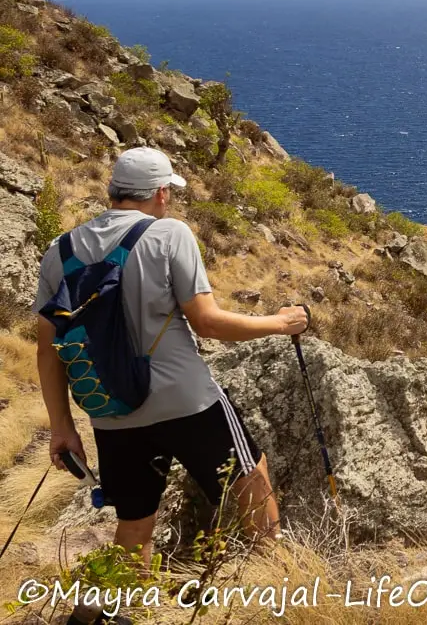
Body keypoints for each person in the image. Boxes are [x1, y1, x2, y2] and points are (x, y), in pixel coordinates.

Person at [33, 146, 309, 565]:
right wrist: (281, 322)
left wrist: (62, 427)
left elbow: (47, 349)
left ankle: (125, 605)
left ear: (114, 190)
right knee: (251, 478)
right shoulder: (169, 234)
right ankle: (272, 577)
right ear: (161, 193)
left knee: (135, 523)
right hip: (186, 400)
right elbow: (208, 322)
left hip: (112, 408)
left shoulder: (61, 250)